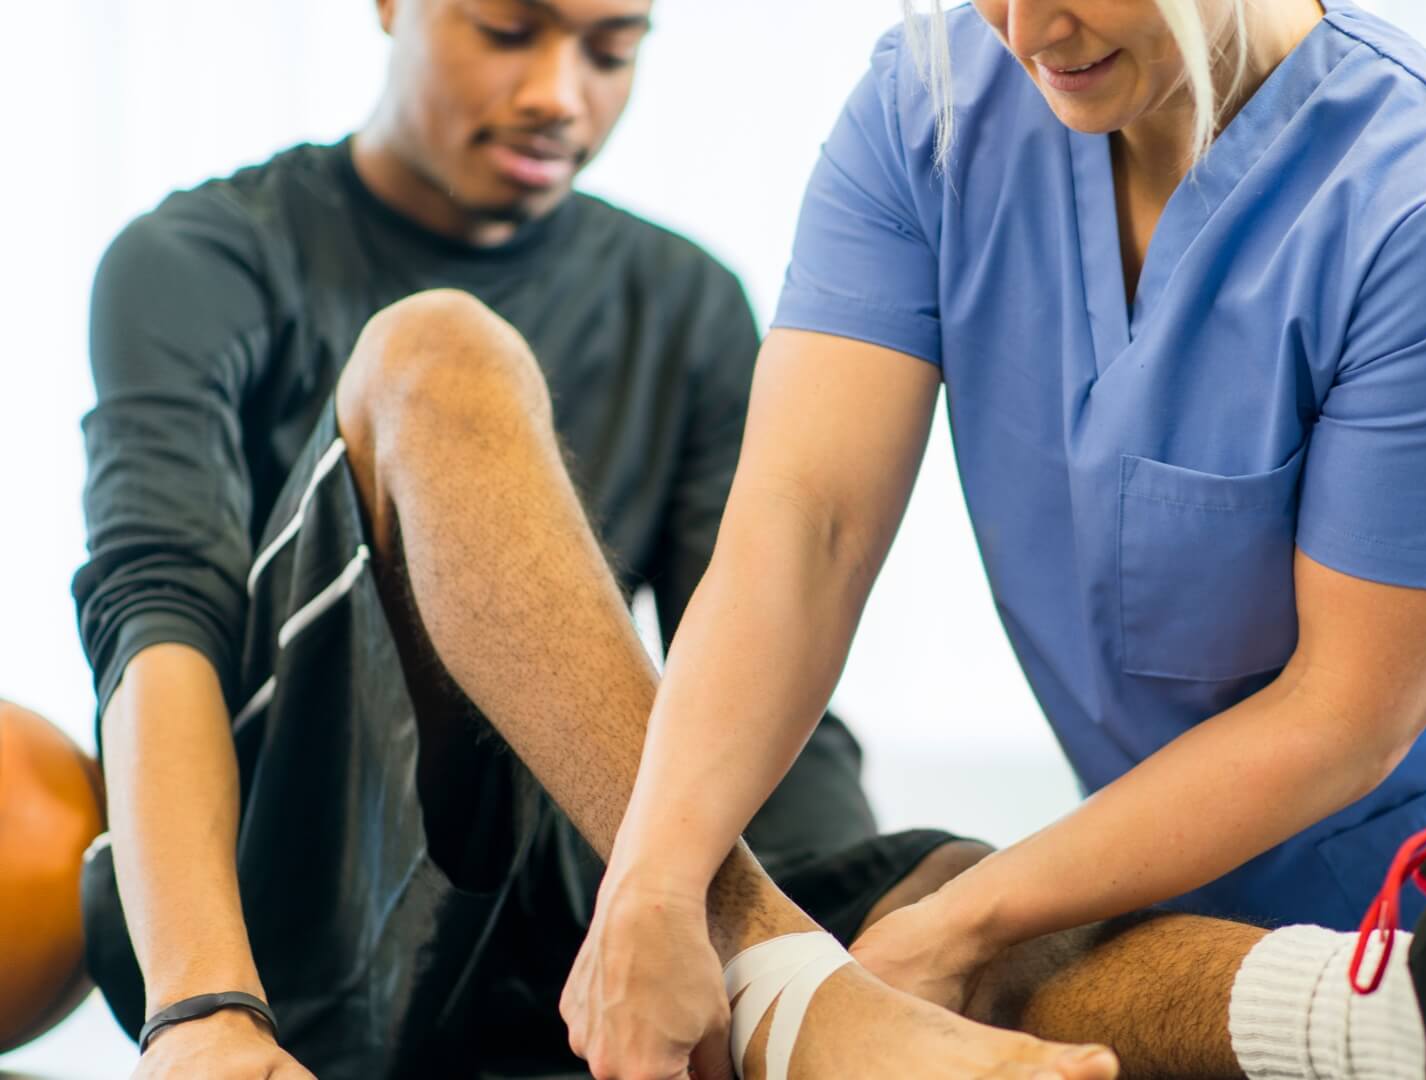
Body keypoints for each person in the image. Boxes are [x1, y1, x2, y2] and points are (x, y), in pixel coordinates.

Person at [561, 0, 1426, 1077]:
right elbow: (808, 526)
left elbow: (1344, 716)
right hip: (1181, 893)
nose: (1025, 28)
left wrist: (963, 922)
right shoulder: (936, 110)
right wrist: (656, 888)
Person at [71, 0, 1113, 1076]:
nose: (560, 96)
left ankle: (1297, 999)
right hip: (292, 919)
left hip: (585, 931)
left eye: (611, 51)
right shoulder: (196, 257)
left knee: (990, 916)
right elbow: (155, 627)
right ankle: (792, 987)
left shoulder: (684, 299)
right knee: (436, 349)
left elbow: (758, 657)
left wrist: (871, 919)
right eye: (509, 33)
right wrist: (201, 1009)